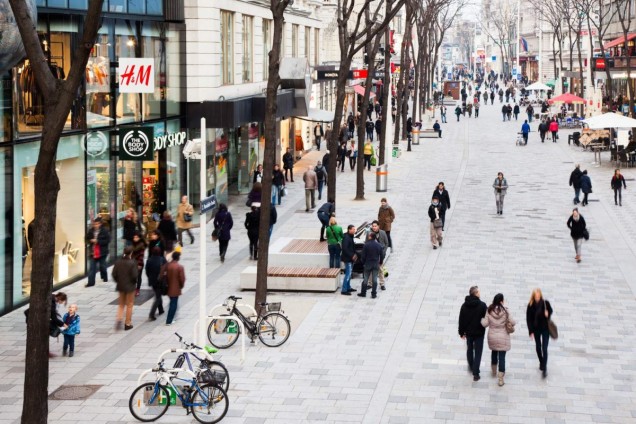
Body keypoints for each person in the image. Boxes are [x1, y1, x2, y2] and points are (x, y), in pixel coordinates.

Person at [481, 293, 515, 386]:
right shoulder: (506, 311)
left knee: (494, 352)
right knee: (502, 357)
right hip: (503, 336)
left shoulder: (489, 310)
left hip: (492, 336)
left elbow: (485, 324)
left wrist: (481, 319)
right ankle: (500, 378)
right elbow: (513, 322)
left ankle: (493, 371)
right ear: (501, 301)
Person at [458, 285, 488, 382]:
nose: (480, 293)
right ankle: (476, 373)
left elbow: (461, 320)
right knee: (478, 352)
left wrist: (461, 332)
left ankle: (471, 366)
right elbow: (486, 318)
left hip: (469, 333)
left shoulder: (464, 305)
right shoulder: (482, 305)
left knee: (470, 350)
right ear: (475, 293)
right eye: (478, 292)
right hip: (479, 333)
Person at [526, 288, 553, 378]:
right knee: (538, 348)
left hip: (545, 329)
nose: (537, 298)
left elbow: (551, 311)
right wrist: (530, 331)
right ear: (533, 296)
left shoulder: (545, 303)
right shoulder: (530, 305)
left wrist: (547, 314)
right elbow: (528, 319)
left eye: (538, 296)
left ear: (540, 295)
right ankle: (541, 361)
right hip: (536, 329)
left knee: (544, 348)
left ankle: (544, 368)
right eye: (535, 296)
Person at [112, 246, 138, 331]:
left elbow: (114, 274)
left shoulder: (118, 262)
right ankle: (127, 323)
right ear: (131, 253)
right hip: (130, 287)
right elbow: (134, 276)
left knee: (121, 304)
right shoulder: (132, 262)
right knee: (129, 305)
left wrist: (118, 281)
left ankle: (119, 319)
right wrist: (134, 282)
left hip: (121, 286)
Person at [357, 232, 384, 299]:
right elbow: (382, 255)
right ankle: (374, 294)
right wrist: (380, 262)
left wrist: (363, 263)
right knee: (375, 279)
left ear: (370, 237)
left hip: (368, 264)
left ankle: (363, 293)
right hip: (375, 264)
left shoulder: (366, 245)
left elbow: (363, 256)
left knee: (365, 279)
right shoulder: (379, 245)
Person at [85, 217, 110, 287]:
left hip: (102, 252)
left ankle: (105, 277)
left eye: (97, 224)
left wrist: (98, 241)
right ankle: (91, 282)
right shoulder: (90, 231)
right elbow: (86, 239)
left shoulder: (104, 231)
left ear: (100, 224)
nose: (95, 225)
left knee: (102, 266)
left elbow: (108, 240)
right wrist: (90, 241)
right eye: (94, 224)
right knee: (92, 268)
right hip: (93, 252)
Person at [146, 246, 167, 320]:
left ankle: (161, 310)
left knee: (158, 294)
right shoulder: (162, 259)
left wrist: (150, 277)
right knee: (158, 297)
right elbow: (166, 269)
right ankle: (151, 314)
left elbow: (147, 271)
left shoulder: (149, 260)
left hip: (152, 281)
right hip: (160, 281)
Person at [165, 251, 185, 326]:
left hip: (169, 287)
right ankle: (169, 320)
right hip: (175, 288)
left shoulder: (168, 266)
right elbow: (182, 279)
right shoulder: (179, 267)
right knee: (173, 304)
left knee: (172, 302)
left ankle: (172, 317)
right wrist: (181, 286)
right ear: (178, 258)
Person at [340, 225, 358, 296]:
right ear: (349, 230)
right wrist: (352, 255)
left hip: (350, 258)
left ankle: (348, 287)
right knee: (348, 274)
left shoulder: (350, 236)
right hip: (348, 259)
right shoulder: (347, 238)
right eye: (353, 229)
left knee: (349, 274)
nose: (354, 230)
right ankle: (344, 290)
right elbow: (345, 249)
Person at [131, 232, 147, 296]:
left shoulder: (141, 245)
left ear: (139, 238)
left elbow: (141, 255)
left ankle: (137, 289)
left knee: (138, 277)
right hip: (132, 263)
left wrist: (139, 264)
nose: (135, 238)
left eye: (136, 237)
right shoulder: (132, 244)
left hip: (139, 263)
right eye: (134, 237)